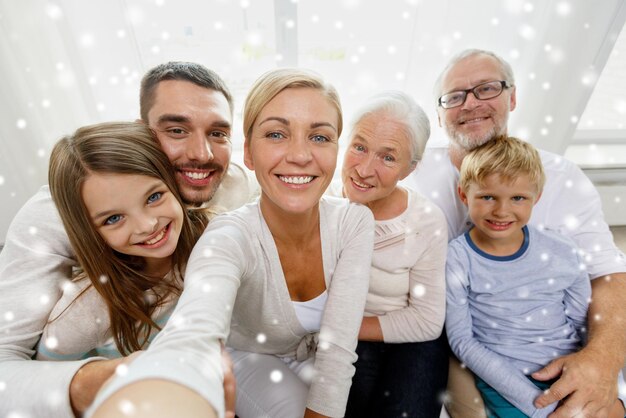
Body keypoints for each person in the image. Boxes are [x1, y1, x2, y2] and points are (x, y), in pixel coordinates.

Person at [87, 68, 375, 418]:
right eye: (276, 134)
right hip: (252, 359)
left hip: (314, 354)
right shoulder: (228, 236)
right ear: (249, 153)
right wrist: (170, 383)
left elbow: (339, 344)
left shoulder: (354, 222)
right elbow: (196, 328)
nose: (300, 155)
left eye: (319, 137)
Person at [0, 62, 255, 417]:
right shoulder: (51, 218)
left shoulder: (235, 186)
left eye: (218, 133)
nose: (202, 154)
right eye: (177, 129)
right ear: (142, 134)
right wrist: (93, 382)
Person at [401, 48, 626, 418]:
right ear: (440, 115)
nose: (471, 103)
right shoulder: (413, 175)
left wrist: (599, 358)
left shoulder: (562, 179)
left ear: (513, 96)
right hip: (465, 341)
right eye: (455, 96)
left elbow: (608, 274)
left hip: (548, 341)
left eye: (487, 88)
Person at [446, 135, 626, 418]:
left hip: (568, 369)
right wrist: (538, 405)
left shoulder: (562, 250)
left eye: (518, 198)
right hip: (506, 381)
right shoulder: (456, 258)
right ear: (464, 195)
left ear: (536, 198)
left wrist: (598, 382)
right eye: (487, 197)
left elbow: (582, 321)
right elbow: (462, 341)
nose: (502, 211)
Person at [37, 121, 210, 361]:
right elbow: (46, 380)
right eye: (114, 218)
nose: (146, 225)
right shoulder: (87, 308)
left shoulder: (213, 237)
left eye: (154, 197)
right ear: (88, 231)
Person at [331, 91, 448, 417]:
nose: (365, 169)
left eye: (387, 157)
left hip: (411, 339)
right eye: (359, 147)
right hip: (348, 340)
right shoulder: (316, 200)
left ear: (409, 169)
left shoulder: (426, 222)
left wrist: (338, 325)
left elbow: (426, 322)